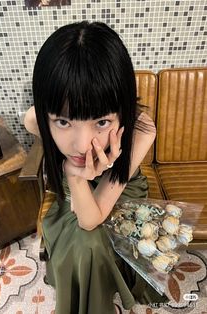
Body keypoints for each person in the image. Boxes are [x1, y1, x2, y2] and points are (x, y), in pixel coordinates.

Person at [24, 21, 168, 314]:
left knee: (88, 241)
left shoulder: (140, 130)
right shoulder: (34, 119)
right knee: (85, 243)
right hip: (73, 186)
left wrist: (77, 174)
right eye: (63, 121)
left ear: (123, 110)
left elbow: (91, 218)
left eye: (101, 122)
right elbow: (82, 211)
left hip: (121, 186)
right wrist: (75, 176)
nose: (81, 145)